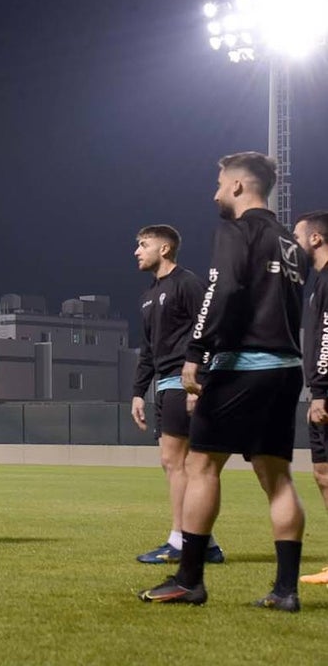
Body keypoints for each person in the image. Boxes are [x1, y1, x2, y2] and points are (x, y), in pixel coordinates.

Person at [140, 152, 308, 611]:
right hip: (286, 369)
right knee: (277, 477)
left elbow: (224, 289)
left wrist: (197, 352)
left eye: (219, 183)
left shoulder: (236, 230)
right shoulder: (292, 244)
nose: (215, 193)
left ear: (237, 186)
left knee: (201, 466)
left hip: (242, 366)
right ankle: (285, 590)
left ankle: (189, 580)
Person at [130, 225, 224, 565]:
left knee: (178, 463)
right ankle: (205, 543)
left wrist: (201, 380)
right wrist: (138, 392)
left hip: (185, 383)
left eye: (144, 245)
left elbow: (211, 329)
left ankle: (181, 541)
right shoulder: (148, 296)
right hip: (164, 384)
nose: (137, 251)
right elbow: (148, 350)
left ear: (165, 248)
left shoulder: (187, 283)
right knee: (177, 463)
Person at [293, 211, 328, 585]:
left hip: (326, 393)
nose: (293, 243)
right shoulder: (318, 281)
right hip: (320, 391)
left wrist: (320, 392)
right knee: (322, 473)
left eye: (297, 236)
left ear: (316, 239)